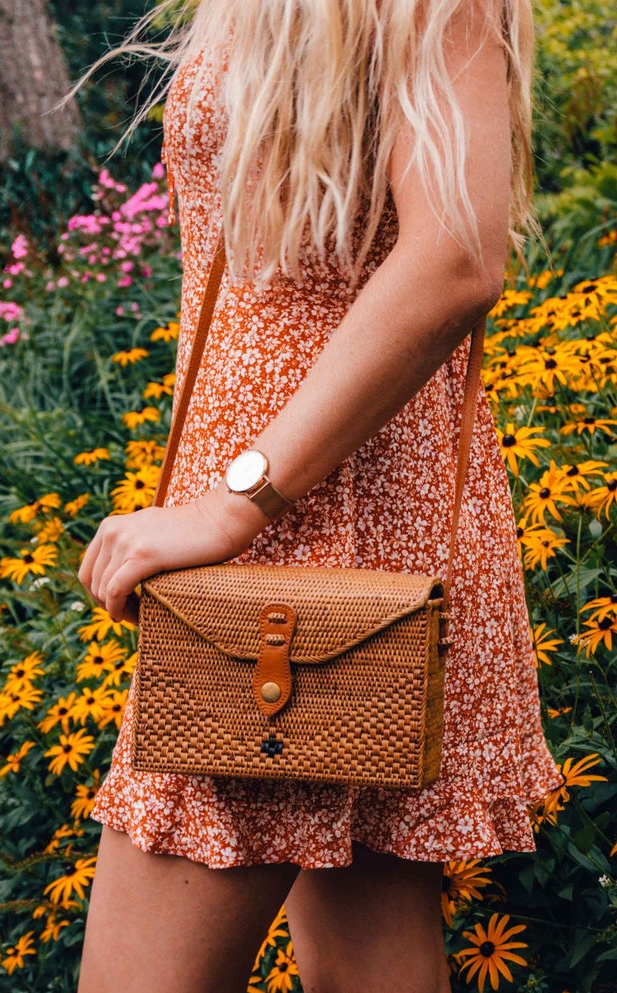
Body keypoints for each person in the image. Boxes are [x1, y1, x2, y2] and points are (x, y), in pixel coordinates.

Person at [76, 0, 564, 990]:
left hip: (298, 542)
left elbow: (457, 254)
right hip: (313, 528)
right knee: (362, 964)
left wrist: (231, 503)